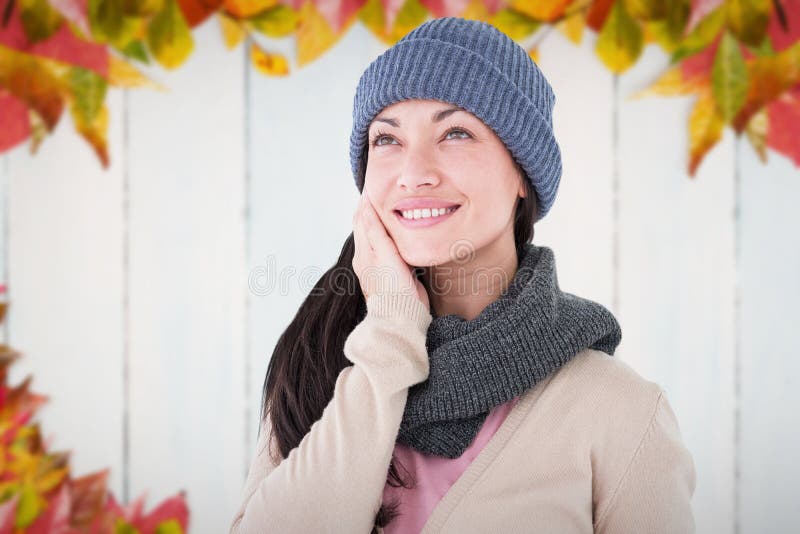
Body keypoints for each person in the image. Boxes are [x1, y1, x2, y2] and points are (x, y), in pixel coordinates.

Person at [229, 16, 696, 534]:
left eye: (455, 132)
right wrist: (391, 334)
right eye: (387, 139)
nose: (414, 172)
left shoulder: (621, 413)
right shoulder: (313, 367)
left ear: (523, 172)